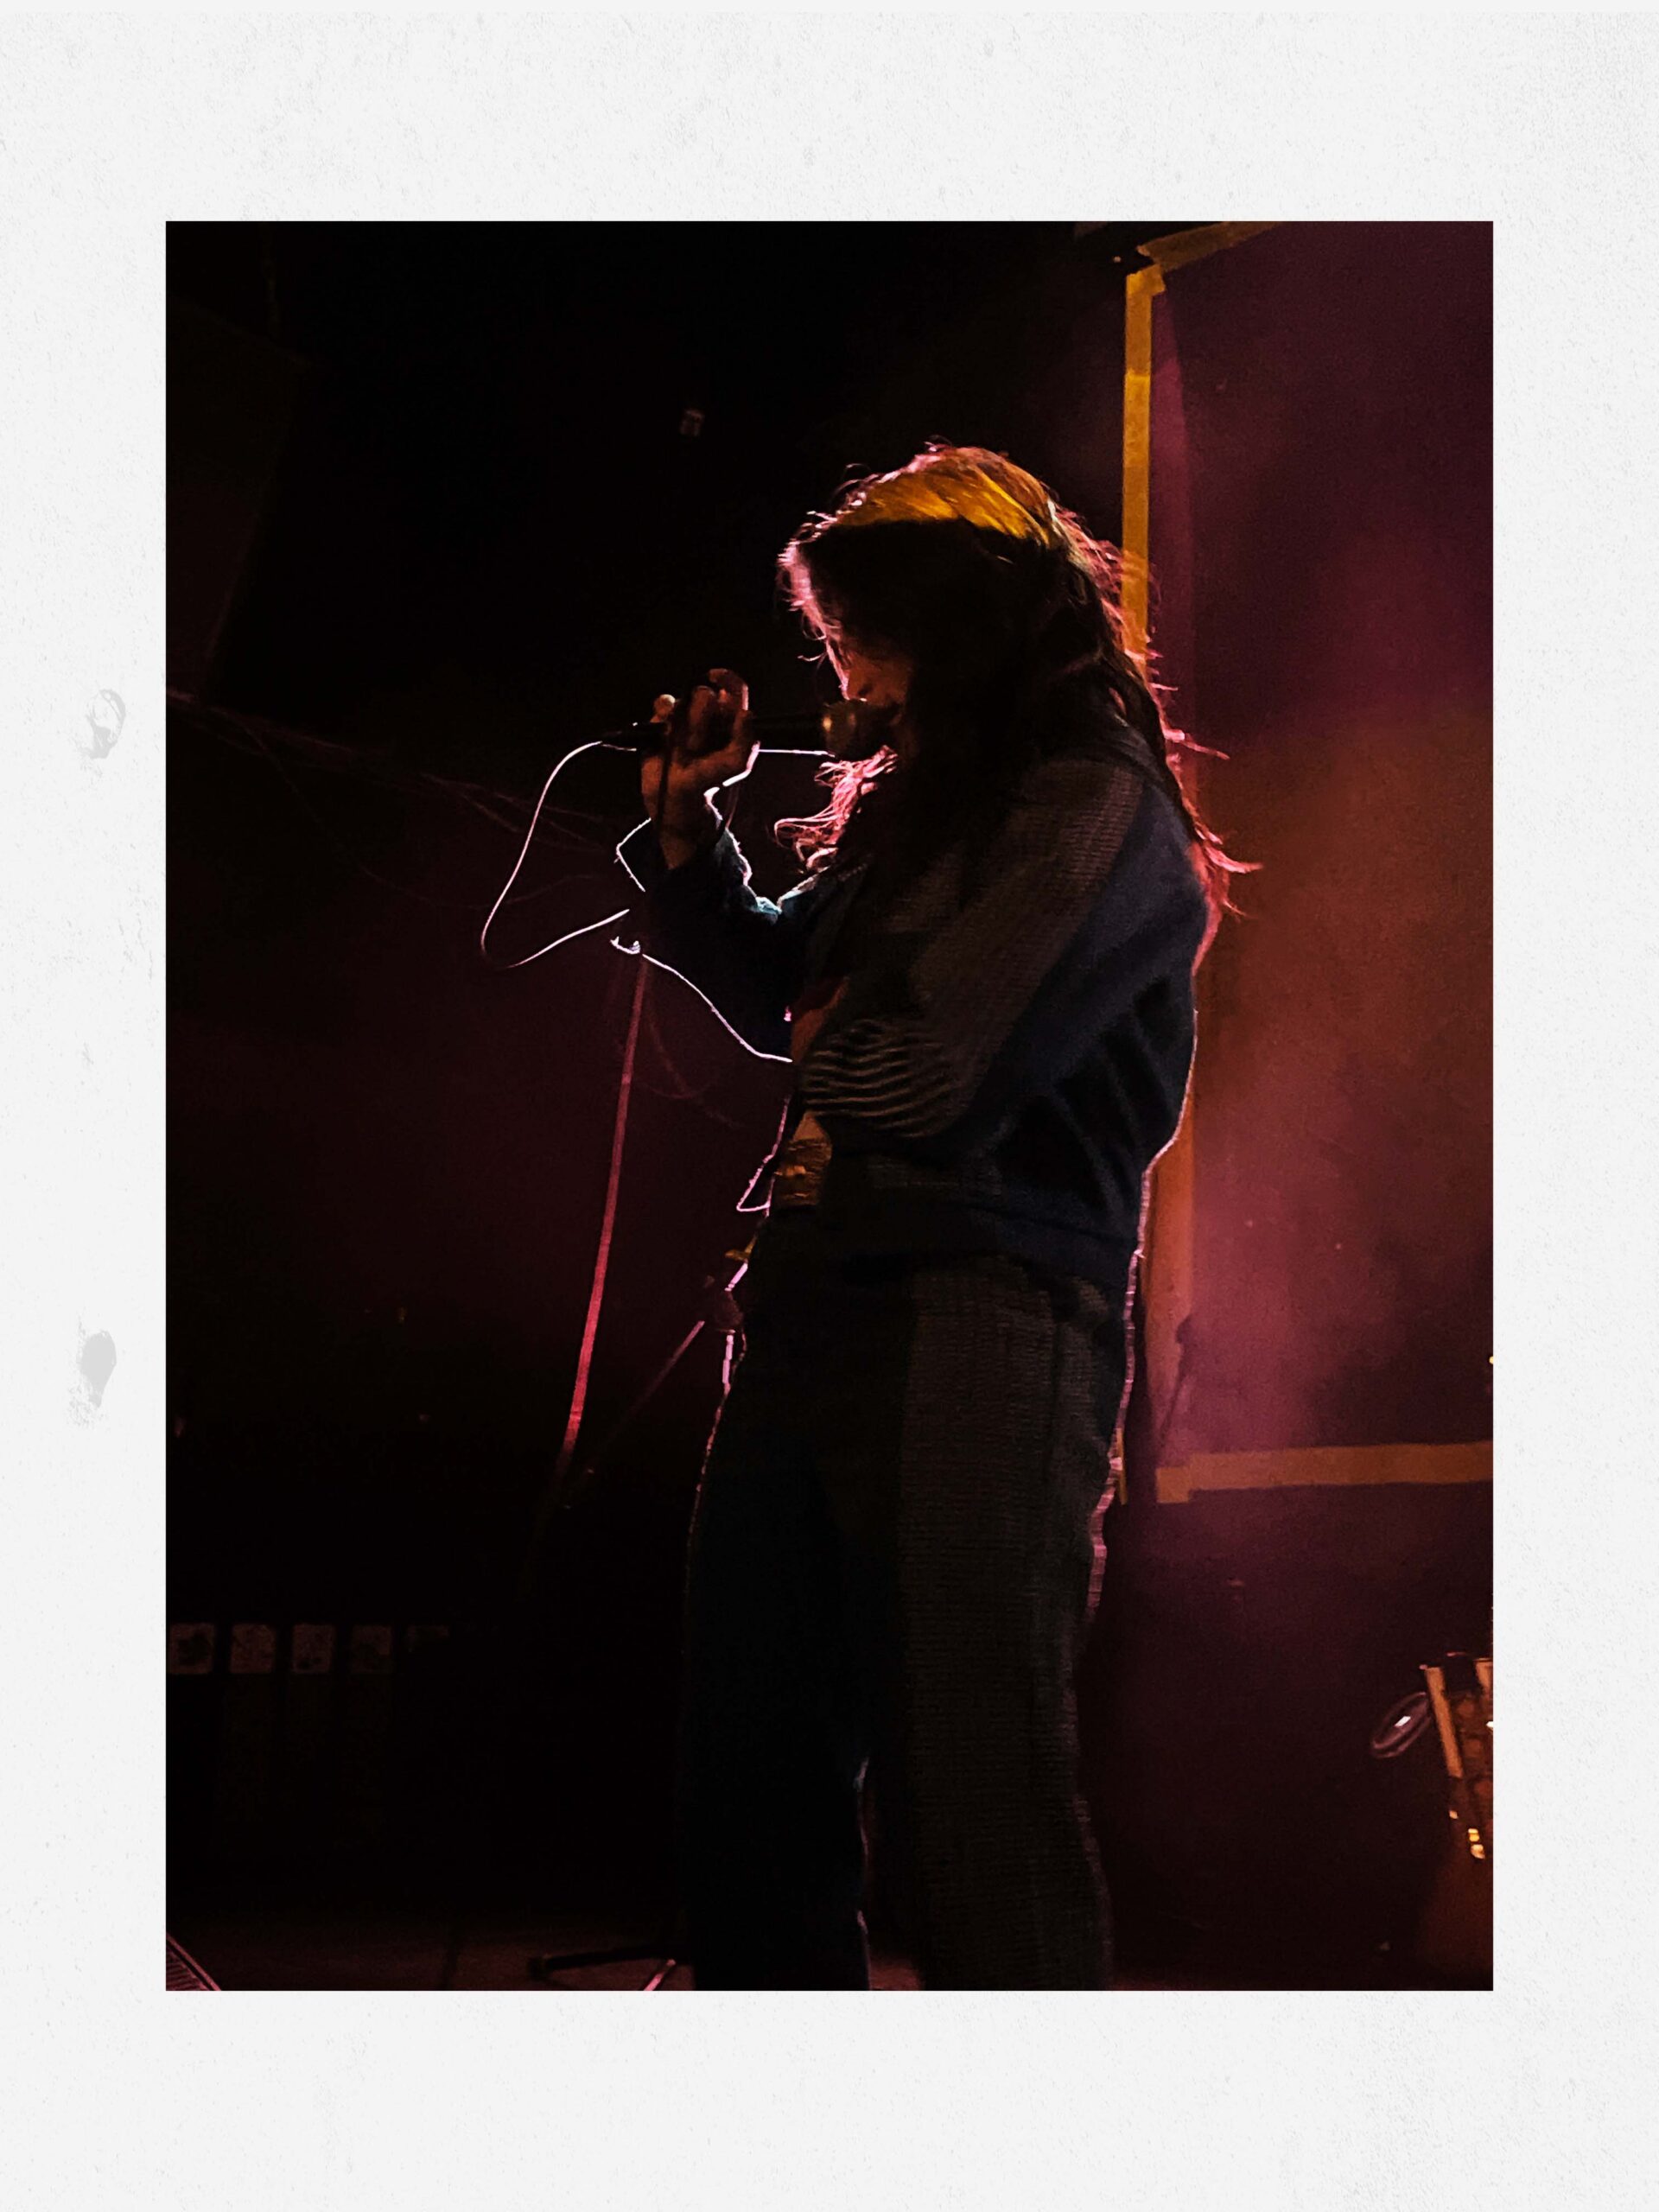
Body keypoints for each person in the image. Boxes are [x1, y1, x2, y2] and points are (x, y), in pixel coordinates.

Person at [615, 445, 1244, 1989]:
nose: (845, 670)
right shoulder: (916, 809)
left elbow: (932, 1067)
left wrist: (834, 1031)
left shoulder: (1094, 800)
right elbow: (797, 999)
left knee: (970, 1791)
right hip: (816, 1302)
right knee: (751, 1775)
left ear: (957, 619)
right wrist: (691, 845)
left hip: (985, 1309)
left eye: (864, 633)